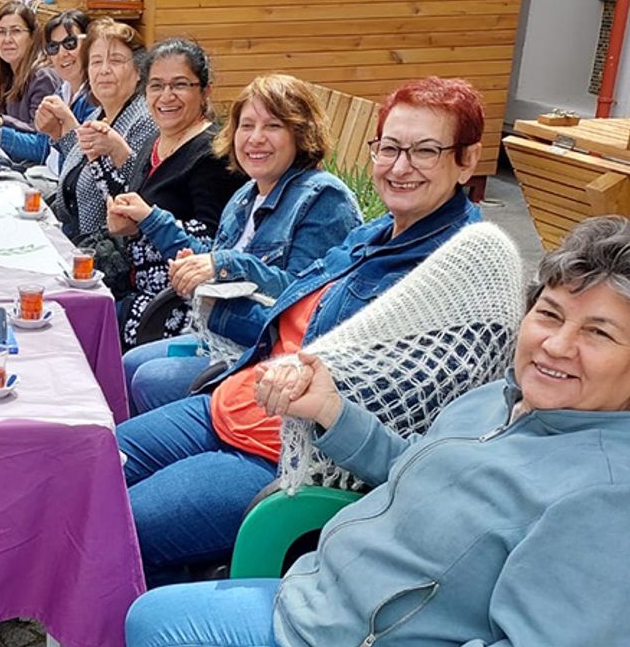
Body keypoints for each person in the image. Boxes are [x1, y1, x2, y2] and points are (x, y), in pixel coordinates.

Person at [126, 215, 630, 647]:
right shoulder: (502, 399)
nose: (557, 345)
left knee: (147, 613)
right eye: (549, 314)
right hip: (319, 592)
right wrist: (332, 412)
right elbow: (420, 466)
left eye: (598, 332)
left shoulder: (606, 498)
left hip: (333, 631)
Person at [116, 76, 485, 585]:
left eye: (424, 151)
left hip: (281, 454)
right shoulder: (371, 235)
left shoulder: (456, 267)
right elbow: (284, 317)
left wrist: (218, 281)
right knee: (97, 465)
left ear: (466, 160)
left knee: (118, 523)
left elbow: (405, 422)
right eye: (390, 148)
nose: (400, 166)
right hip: (232, 401)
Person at [115, 72, 360, 378]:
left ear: (300, 134)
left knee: (152, 379)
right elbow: (213, 256)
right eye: (246, 126)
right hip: (220, 336)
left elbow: (307, 298)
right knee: (130, 363)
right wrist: (153, 221)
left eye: (273, 126)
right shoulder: (247, 193)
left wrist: (228, 264)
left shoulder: (323, 198)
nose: (255, 138)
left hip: (269, 357)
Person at [104, 40, 252, 345]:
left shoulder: (213, 155)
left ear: (206, 90)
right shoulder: (154, 143)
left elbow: (213, 247)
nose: (166, 96)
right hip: (131, 287)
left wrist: (145, 223)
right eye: (156, 85)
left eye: (180, 85)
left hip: (172, 308)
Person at [47, 17, 158, 242]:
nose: (104, 70)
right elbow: (77, 173)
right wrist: (56, 134)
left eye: (116, 61)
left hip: (106, 252)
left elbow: (137, 193)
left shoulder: (145, 119)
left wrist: (119, 153)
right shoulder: (98, 114)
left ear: (139, 72)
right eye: (96, 62)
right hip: (72, 239)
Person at [21, 9, 97, 191]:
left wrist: (64, 129)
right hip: (45, 176)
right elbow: (40, 148)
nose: (62, 54)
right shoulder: (61, 91)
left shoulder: (95, 98)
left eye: (70, 43)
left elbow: (87, 172)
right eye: (53, 48)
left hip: (63, 191)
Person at [0, 0, 60, 141]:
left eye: (16, 31)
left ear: (32, 37)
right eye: (1, 32)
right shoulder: (4, 73)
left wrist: (1, 121)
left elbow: (41, 142)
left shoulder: (42, 77)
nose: (7, 39)